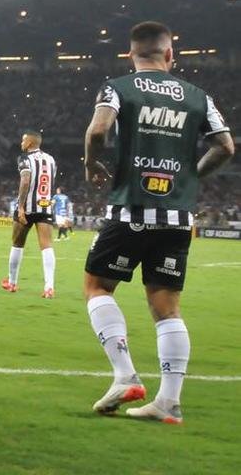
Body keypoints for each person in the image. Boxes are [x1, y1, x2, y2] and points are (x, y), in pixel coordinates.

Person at [82, 21, 233, 425]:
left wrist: (91, 162)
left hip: (131, 210)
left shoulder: (118, 87)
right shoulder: (198, 96)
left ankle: (125, 375)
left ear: (131, 55)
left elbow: (99, 130)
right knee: (167, 306)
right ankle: (169, 401)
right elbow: (225, 147)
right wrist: (191, 177)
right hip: (178, 217)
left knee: (97, 286)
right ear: (170, 55)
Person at [1, 131, 58, 297]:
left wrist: (20, 206)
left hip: (27, 206)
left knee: (17, 243)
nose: (21, 143)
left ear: (30, 143)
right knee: (46, 245)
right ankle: (49, 287)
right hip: (45, 205)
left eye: (23, 140)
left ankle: (12, 283)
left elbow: (25, 180)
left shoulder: (24, 158)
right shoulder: (51, 159)